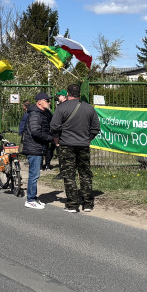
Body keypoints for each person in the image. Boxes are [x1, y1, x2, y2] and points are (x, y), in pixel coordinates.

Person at [50, 82, 102, 212]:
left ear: (67, 94)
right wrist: (87, 139)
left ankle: (72, 204)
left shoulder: (61, 108)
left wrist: (57, 141)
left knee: (69, 175)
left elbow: (54, 127)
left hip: (66, 145)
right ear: (79, 94)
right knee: (85, 174)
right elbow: (96, 128)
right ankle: (88, 204)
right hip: (83, 145)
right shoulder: (89, 108)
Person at [21, 92, 54, 209]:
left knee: (35, 174)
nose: (49, 102)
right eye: (47, 100)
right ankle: (30, 199)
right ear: (39, 102)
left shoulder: (41, 113)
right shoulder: (35, 114)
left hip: (37, 147)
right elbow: (35, 132)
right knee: (34, 175)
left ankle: (33, 198)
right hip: (34, 148)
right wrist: (50, 138)